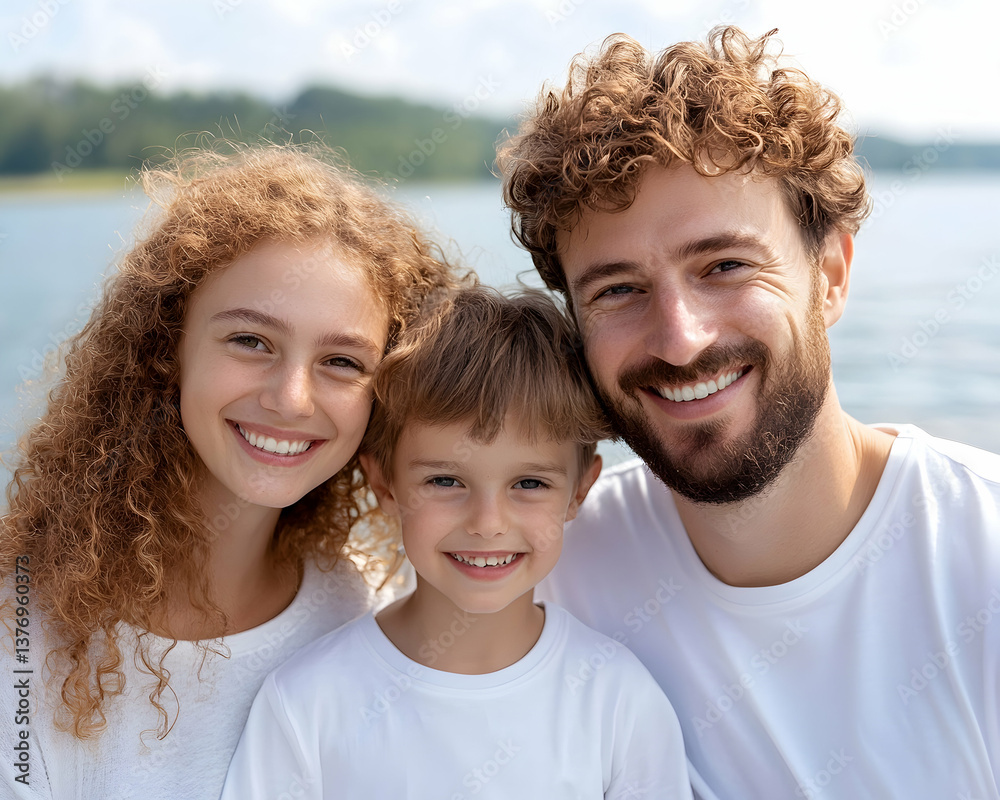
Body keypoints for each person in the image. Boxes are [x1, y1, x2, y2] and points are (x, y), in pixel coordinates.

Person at [499, 25, 1000, 800]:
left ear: (829, 275)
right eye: (618, 290)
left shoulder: (980, 553)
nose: (679, 338)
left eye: (724, 266)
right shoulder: (543, 569)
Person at [0, 144, 458, 800]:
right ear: (167, 349)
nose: (291, 398)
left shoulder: (365, 610)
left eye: (342, 362)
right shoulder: (22, 627)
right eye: (251, 341)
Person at [221, 285, 696, 799]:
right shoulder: (305, 704)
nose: (487, 523)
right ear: (385, 486)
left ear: (578, 492)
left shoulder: (618, 702)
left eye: (529, 484)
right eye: (446, 482)